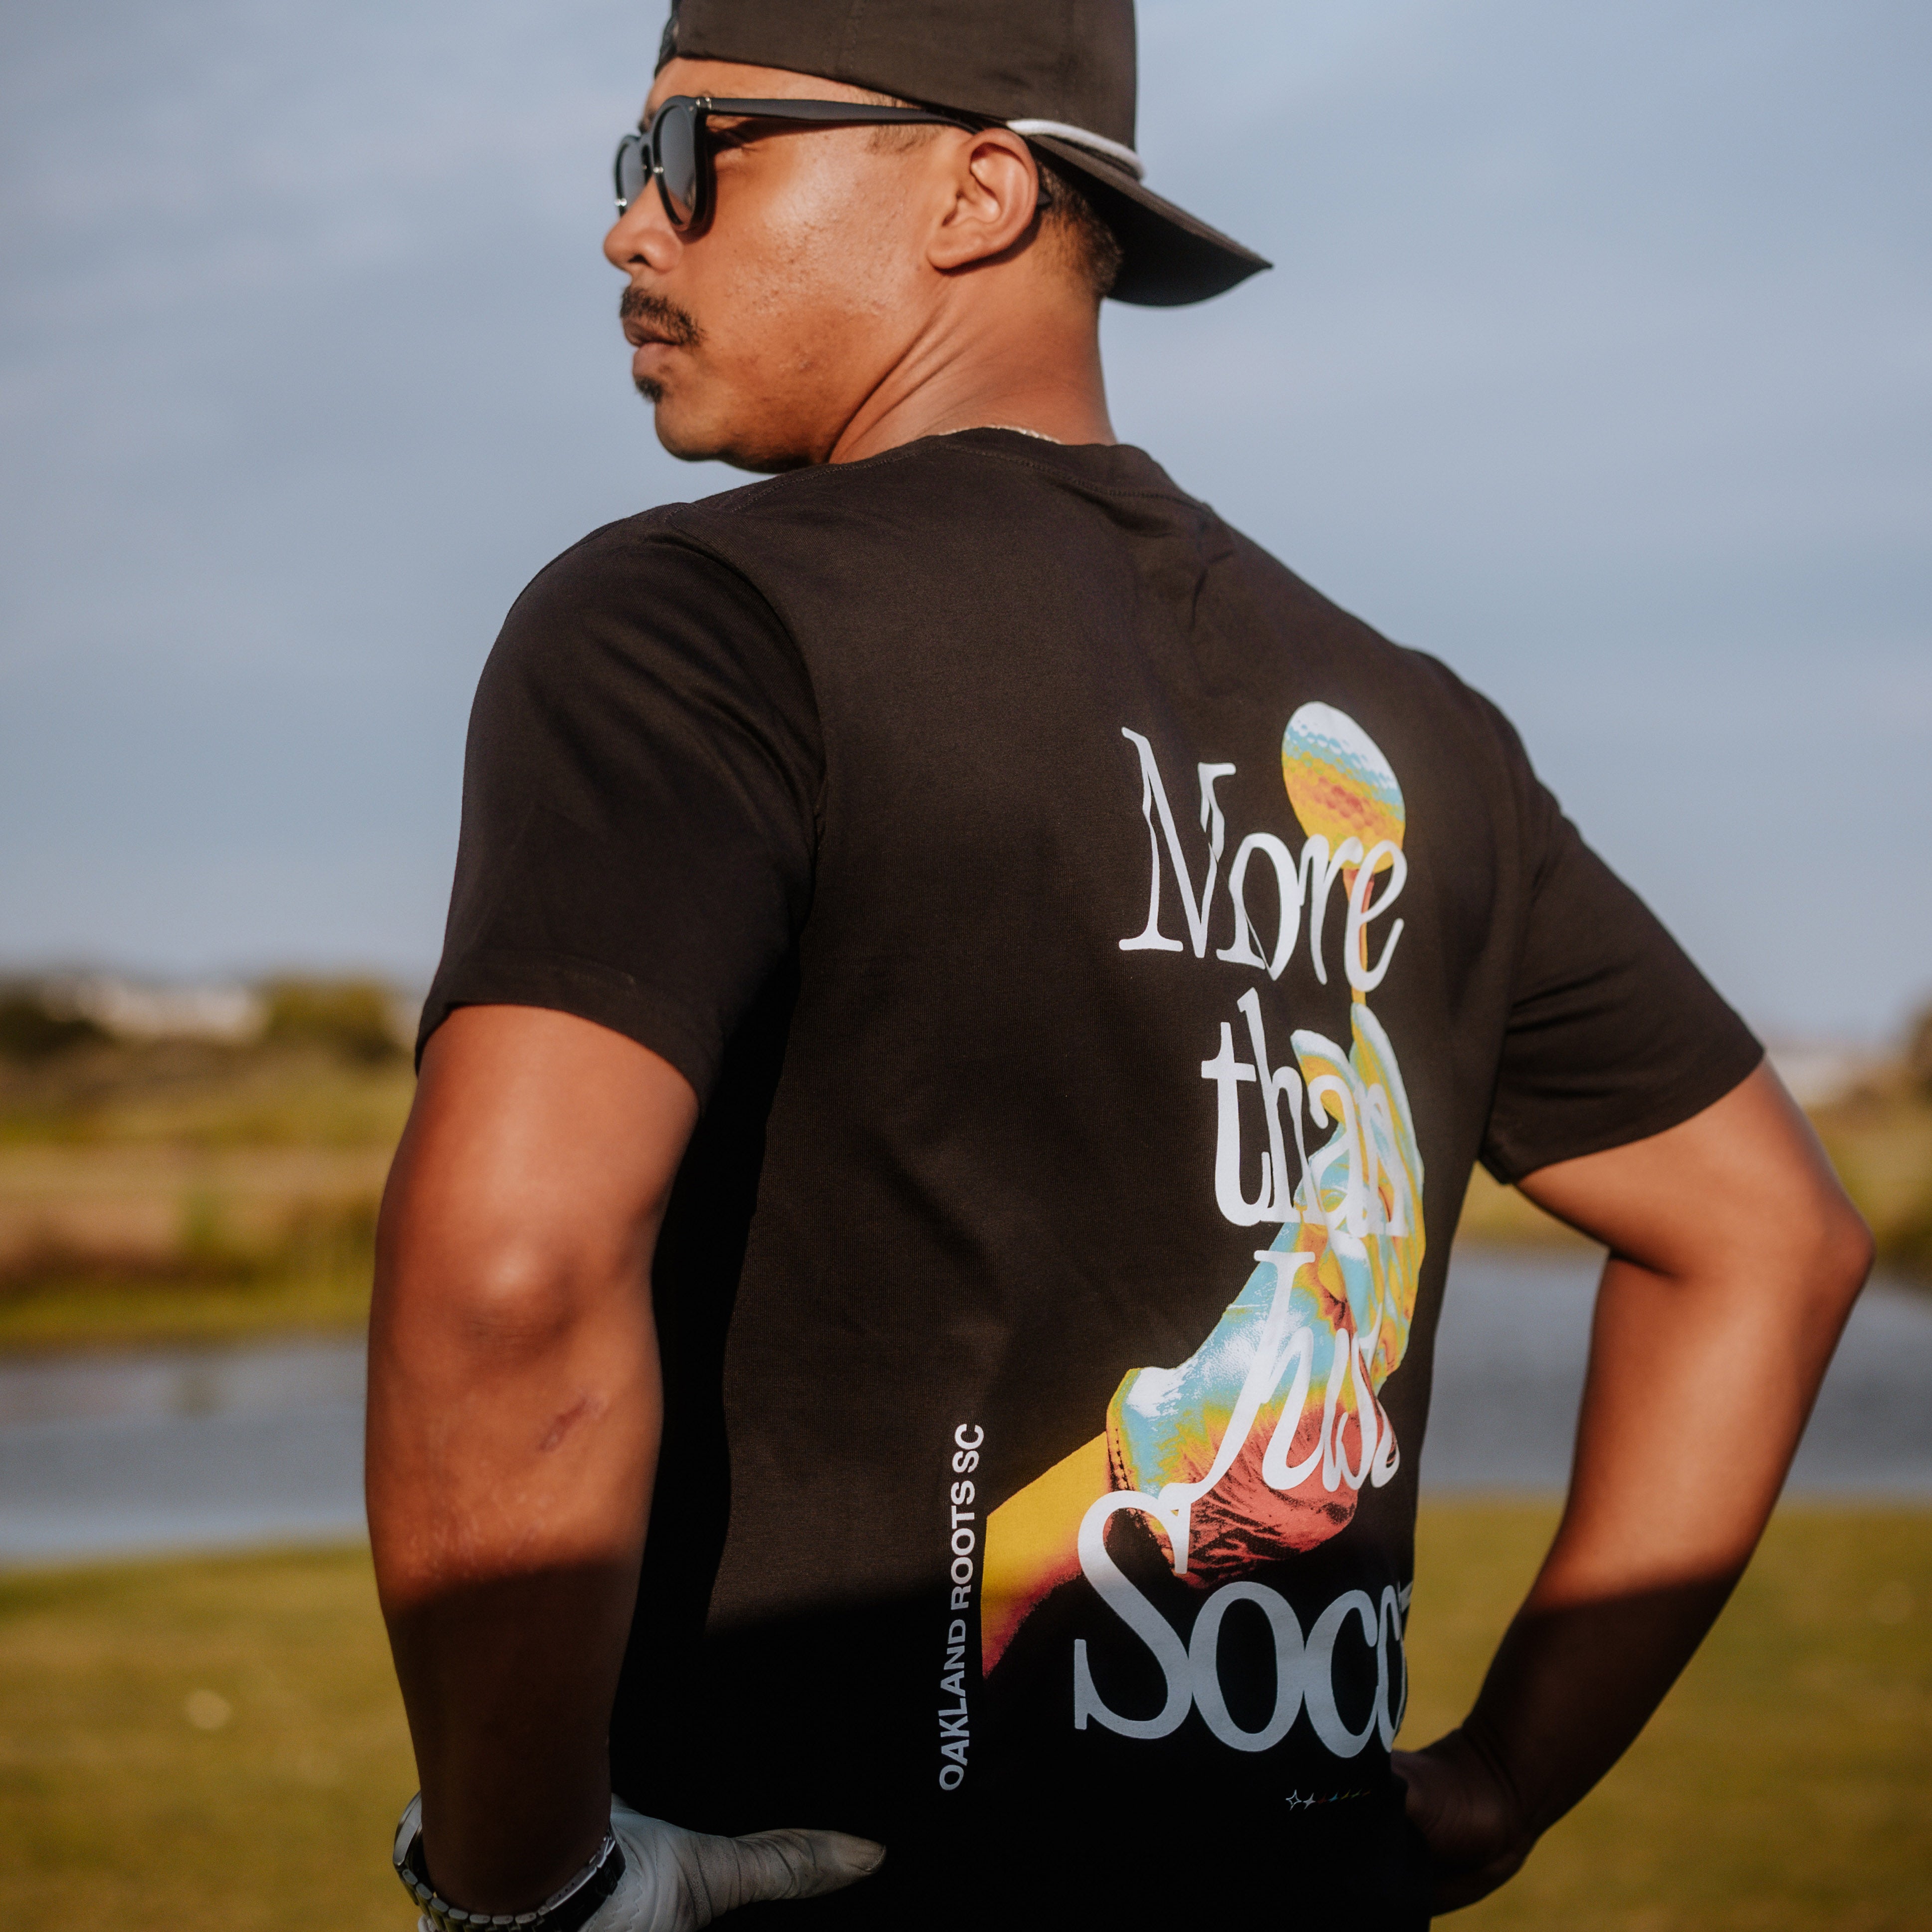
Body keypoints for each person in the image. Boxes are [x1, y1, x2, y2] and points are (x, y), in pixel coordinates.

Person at [365, 2, 1874, 1927]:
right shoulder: (1414, 734)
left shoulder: (698, 626)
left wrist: (521, 1892)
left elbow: (506, 1278)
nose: (628, 230)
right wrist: (1497, 1779)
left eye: (692, 153)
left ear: (980, 188)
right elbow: (1767, 1235)